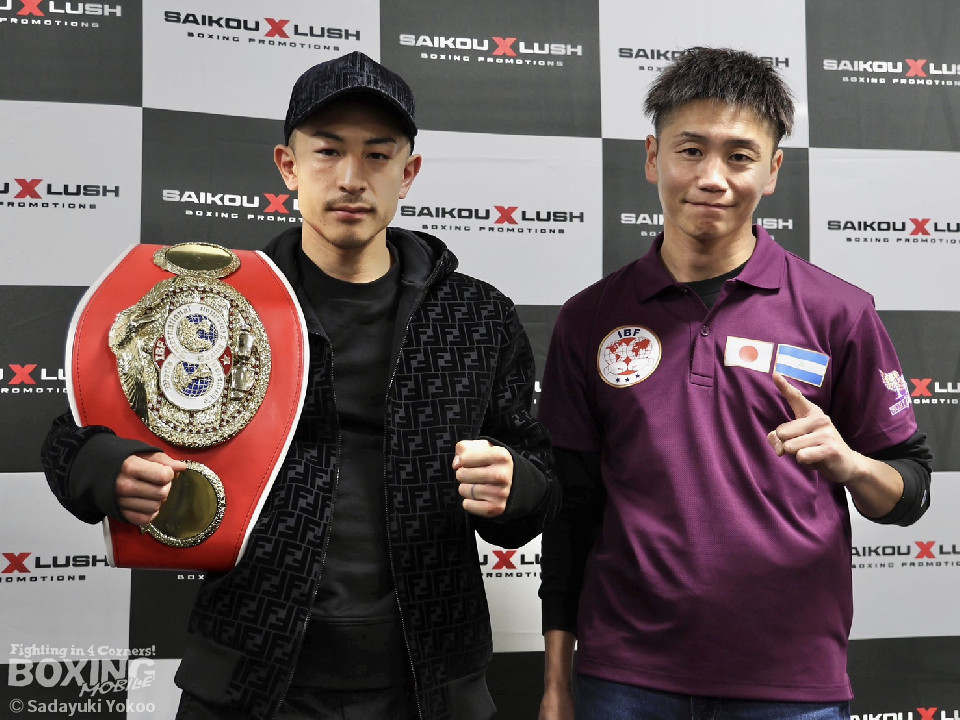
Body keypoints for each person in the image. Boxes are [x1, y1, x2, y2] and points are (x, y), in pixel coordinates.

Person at [41, 51, 557, 720]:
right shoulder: (222, 301)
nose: (351, 178)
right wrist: (106, 469)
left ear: (408, 173)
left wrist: (518, 486)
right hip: (248, 675)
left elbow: (536, 476)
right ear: (288, 165)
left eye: (377, 155)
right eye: (327, 152)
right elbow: (71, 438)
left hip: (430, 679)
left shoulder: (476, 314)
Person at [537, 47, 932, 720]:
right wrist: (556, 684)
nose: (712, 178)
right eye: (690, 150)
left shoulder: (838, 311)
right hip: (625, 680)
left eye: (740, 156)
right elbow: (569, 510)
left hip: (790, 685)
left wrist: (852, 464)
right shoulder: (590, 318)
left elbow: (910, 491)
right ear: (653, 157)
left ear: (772, 170)